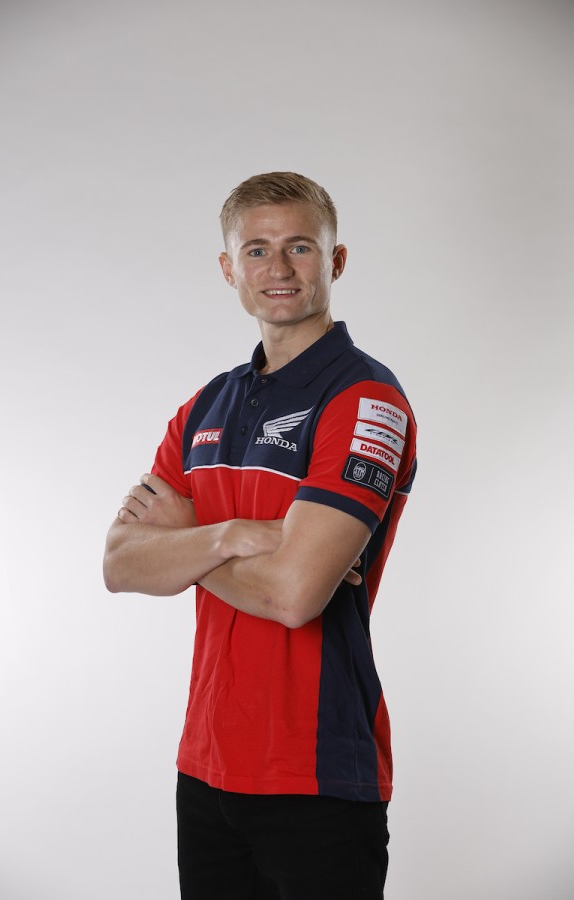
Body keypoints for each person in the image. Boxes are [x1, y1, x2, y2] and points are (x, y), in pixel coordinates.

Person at [103, 172, 417, 900]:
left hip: (317, 772)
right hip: (206, 766)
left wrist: (184, 542)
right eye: (256, 250)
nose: (278, 268)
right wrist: (235, 536)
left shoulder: (365, 400)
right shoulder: (205, 406)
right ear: (229, 268)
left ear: (335, 261)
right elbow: (119, 563)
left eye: (300, 247)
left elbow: (293, 596)